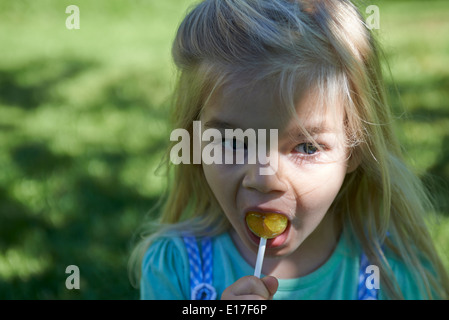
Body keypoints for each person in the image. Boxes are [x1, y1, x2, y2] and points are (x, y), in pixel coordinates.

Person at [129, 0, 449, 300]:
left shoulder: (394, 280)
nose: (265, 179)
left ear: (356, 149)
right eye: (235, 143)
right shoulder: (175, 268)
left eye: (306, 147)